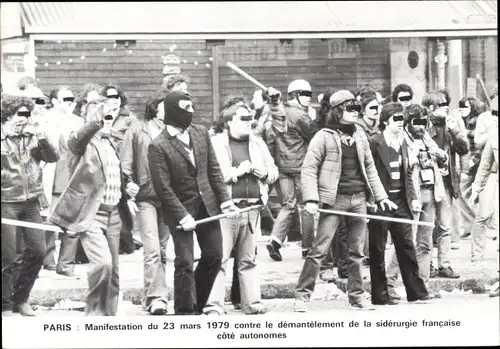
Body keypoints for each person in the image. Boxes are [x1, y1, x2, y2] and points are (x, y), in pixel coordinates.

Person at [295, 90, 396, 312]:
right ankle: (302, 296)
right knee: (319, 250)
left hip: (359, 200)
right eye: (350, 109)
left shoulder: (360, 135)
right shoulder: (323, 136)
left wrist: (382, 197)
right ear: (338, 111)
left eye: (356, 109)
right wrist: (311, 199)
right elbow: (309, 169)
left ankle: (357, 297)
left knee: (357, 253)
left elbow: (370, 168)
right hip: (334, 201)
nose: (355, 113)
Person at [148, 90, 239, 315]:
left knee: (215, 255)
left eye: (192, 107)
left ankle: (195, 303)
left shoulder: (200, 133)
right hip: (180, 210)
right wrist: (182, 215)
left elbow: (214, 171)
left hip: (207, 206)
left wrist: (225, 201)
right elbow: (163, 188)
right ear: (172, 111)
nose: (192, 112)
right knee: (185, 262)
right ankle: (184, 312)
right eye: (185, 108)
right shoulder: (158, 145)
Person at [49, 97, 129, 316]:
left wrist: (128, 185)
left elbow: (112, 175)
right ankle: (94, 315)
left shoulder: (111, 142)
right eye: (105, 116)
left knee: (114, 272)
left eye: (112, 115)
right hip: (91, 214)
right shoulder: (80, 143)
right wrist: (97, 116)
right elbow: (78, 138)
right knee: (103, 264)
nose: (109, 120)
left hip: (114, 214)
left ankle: (109, 316)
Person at [204, 96, 278, 315]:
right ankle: (213, 306)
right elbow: (217, 175)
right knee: (221, 259)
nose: (249, 122)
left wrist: (263, 173)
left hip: (253, 208)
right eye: (244, 118)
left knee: (248, 260)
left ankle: (252, 304)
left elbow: (273, 171)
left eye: (251, 118)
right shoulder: (217, 143)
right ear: (229, 121)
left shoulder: (258, 143)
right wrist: (241, 170)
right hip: (229, 210)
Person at [367, 102, 431, 305]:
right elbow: (368, 172)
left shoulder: (402, 141)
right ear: (386, 120)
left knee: (406, 245)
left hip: (400, 201)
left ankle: (417, 293)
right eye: (396, 119)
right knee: (377, 248)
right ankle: (380, 295)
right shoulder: (374, 142)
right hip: (382, 202)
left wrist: (412, 197)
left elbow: (408, 174)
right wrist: (374, 199)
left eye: (402, 119)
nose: (400, 123)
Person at [2, 93, 59, 316]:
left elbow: (53, 157)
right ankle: (5, 304)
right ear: (6, 116)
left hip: (31, 201)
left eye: (26, 115)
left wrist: (42, 135)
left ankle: (21, 299)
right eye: (19, 115)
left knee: (37, 251)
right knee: (7, 257)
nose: (23, 119)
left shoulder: (32, 136)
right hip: (6, 200)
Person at [120, 89, 171, 315]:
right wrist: (128, 181)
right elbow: (126, 158)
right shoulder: (138, 128)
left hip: (170, 198)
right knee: (151, 249)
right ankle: (157, 298)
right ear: (155, 107)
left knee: (161, 249)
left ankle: (151, 298)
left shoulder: (175, 130)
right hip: (146, 196)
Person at [265, 79, 318, 261]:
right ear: (295, 95)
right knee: (307, 207)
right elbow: (316, 135)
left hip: (282, 166)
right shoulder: (300, 116)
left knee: (288, 205)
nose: (309, 98)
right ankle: (308, 248)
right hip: (301, 167)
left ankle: (275, 240)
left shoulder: (279, 112)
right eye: (305, 94)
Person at [421, 91, 468, 278]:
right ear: (430, 108)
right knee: (427, 226)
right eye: (441, 104)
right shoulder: (422, 125)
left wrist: (455, 131)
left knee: (445, 226)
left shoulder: (451, 125)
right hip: (428, 183)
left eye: (446, 103)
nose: (446, 106)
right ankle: (428, 265)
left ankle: (444, 264)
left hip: (447, 183)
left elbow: (464, 149)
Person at [40, 86, 84, 277]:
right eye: (65, 99)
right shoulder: (43, 121)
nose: (69, 103)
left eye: (71, 99)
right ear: (55, 102)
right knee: (49, 221)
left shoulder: (79, 122)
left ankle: (65, 264)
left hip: (74, 178)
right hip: (52, 178)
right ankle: (47, 260)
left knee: (71, 223)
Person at [100, 85, 139, 255]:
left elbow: (133, 138)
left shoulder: (129, 117)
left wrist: (111, 133)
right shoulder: (99, 115)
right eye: (109, 97)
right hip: (105, 162)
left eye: (116, 96)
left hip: (122, 161)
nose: (113, 99)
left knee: (122, 204)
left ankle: (126, 242)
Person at [469, 98, 498, 297]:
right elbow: (485, 166)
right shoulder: (494, 137)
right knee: (484, 215)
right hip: (495, 180)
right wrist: (476, 189)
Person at [454, 97, 483, 244]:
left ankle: (479, 227)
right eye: (460, 107)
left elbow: (482, 145)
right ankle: (470, 226)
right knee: (463, 194)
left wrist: (473, 161)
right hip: (467, 164)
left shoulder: (478, 121)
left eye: (464, 107)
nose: (461, 110)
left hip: (479, 164)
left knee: (480, 196)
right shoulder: (461, 121)